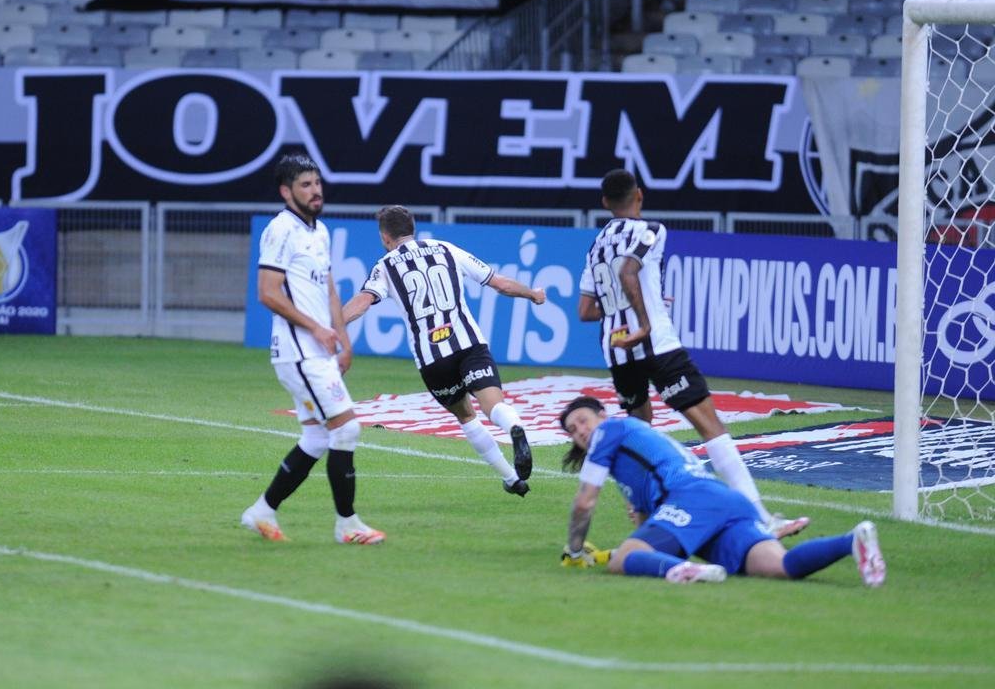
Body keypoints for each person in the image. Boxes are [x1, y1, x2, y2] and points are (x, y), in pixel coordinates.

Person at [579, 168, 808, 538]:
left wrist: (641, 307)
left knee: (641, 437)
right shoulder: (650, 229)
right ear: (639, 195)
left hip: (617, 352)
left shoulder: (596, 245)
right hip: (656, 345)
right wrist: (645, 322)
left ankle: (644, 518)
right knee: (710, 427)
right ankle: (761, 519)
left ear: (604, 203)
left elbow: (587, 311)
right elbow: (628, 273)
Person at [556, 396, 886, 587]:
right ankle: (852, 540)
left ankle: (688, 571)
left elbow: (585, 503)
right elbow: (647, 527)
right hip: (723, 500)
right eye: (573, 430)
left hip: (692, 499)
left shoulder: (609, 432)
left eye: (583, 421)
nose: (581, 432)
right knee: (779, 568)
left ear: (603, 415)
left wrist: (574, 551)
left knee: (624, 560)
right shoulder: (629, 452)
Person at [342, 205, 542, 496]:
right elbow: (499, 283)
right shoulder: (446, 249)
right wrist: (533, 294)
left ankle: (512, 479)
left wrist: (333, 325)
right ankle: (514, 427)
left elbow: (363, 301)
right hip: (469, 343)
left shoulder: (385, 265)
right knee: (493, 405)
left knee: (466, 416)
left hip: (432, 358)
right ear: (413, 227)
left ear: (385, 237)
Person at [240, 153, 385, 545]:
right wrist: (317, 328)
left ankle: (262, 511)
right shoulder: (280, 230)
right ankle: (348, 525)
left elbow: (330, 289)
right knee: (348, 427)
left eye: (317, 183)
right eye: (305, 185)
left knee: (318, 438)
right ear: (286, 192)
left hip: (315, 351)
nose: (315, 190)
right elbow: (267, 293)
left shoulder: (318, 231)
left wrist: (344, 339)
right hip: (298, 350)